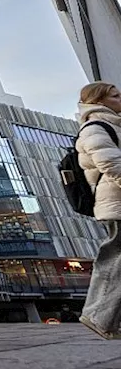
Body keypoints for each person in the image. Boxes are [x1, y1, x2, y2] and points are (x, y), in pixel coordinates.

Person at [75, 81, 121, 340]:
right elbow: (109, 161)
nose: (120, 98)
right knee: (115, 260)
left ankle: (105, 319)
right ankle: (97, 316)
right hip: (116, 199)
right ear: (99, 101)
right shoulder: (95, 127)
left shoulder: (112, 124)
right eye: (115, 96)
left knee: (116, 260)